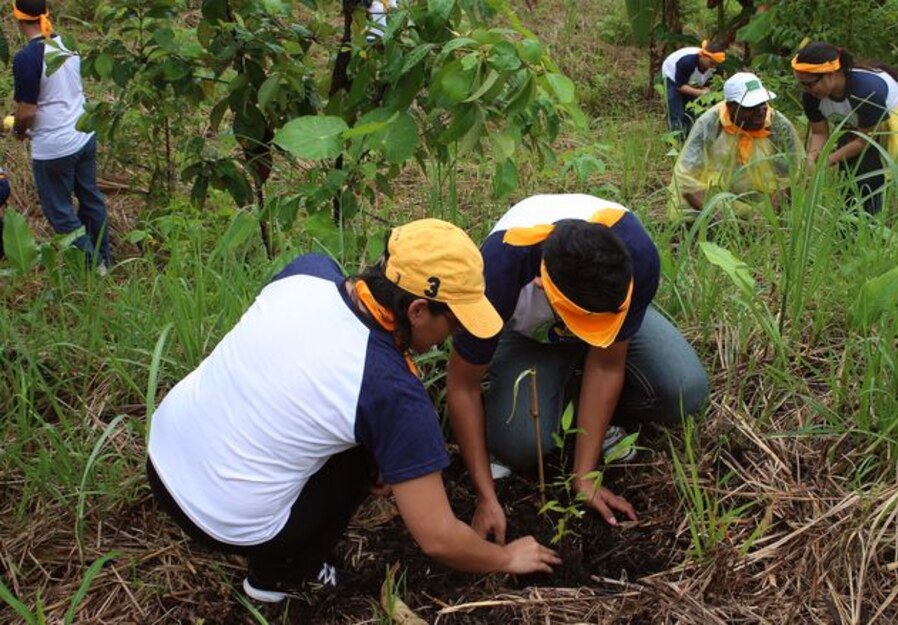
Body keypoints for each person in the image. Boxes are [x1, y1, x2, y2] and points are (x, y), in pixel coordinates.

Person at [147, 219, 561, 604]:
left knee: (362, 431)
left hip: (163, 455)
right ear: (417, 310)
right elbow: (437, 537)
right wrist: (506, 558)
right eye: (452, 325)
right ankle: (281, 575)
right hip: (224, 520)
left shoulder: (308, 272)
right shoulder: (391, 390)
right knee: (363, 458)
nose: (452, 338)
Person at [447, 195, 709, 542]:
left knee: (684, 390)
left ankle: (579, 407)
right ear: (542, 283)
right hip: (529, 338)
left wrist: (584, 476)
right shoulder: (497, 273)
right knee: (520, 445)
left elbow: (607, 363)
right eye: (579, 320)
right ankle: (564, 395)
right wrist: (486, 496)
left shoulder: (636, 255)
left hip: (608, 323)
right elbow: (462, 386)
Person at [11, 0, 110, 269]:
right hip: (83, 135)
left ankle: (93, 265)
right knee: (91, 199)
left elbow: (27, 111)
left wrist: (18, 130)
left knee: (60, 213)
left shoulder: (27, 58)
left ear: (17, 19)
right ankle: (105, 259)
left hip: (54, 146)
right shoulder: (66, 45)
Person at [791, 41, 898, 214]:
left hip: (895, 112)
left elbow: (863, 142)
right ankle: (850, 217)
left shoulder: (866, 92)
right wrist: (812, 158)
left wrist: (827, 161)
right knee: (849, 172)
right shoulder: (811, 97)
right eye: (802, 84)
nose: (806, 89)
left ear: (831, 74)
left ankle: (873, 217)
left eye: (809, 84)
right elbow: (819, 132)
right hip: (856, 120)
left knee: (867, 169)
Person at [668, 72, 803, 221]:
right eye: (751, 106)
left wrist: (766, 217)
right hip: (717, 195)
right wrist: (721, 219)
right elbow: (687, 179)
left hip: (764, 196)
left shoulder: (779, 126)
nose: (761, 112)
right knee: (687, 212)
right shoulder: (709, 124)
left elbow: (792, 177)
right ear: (731, 107)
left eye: (763, 103)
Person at [661, 40, 727, 138]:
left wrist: (707, 90)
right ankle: (676, 141)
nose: (714, 66)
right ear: (702, 55)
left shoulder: (716, 68)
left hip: (694, 81)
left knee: (691, 111)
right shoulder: (687, 62)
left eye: (716, 64)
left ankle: (687, 138)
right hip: (673, 77)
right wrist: (700, 93)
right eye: (711, 63)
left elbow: (711, 84)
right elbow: (680, 86)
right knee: (676, 111)